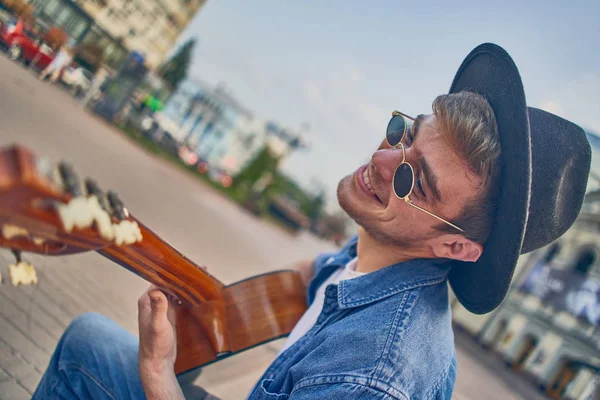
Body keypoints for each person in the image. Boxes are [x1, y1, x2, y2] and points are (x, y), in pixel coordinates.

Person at [31, 43, 591, 399]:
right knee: (90, 343)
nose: (380, 160)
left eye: (413, 180)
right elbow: (313, 276)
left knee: (92, 348)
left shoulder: (375, 375)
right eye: (404, 134)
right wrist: (210, 298)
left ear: (455, 248)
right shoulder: (375, 252)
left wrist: (158, 373)